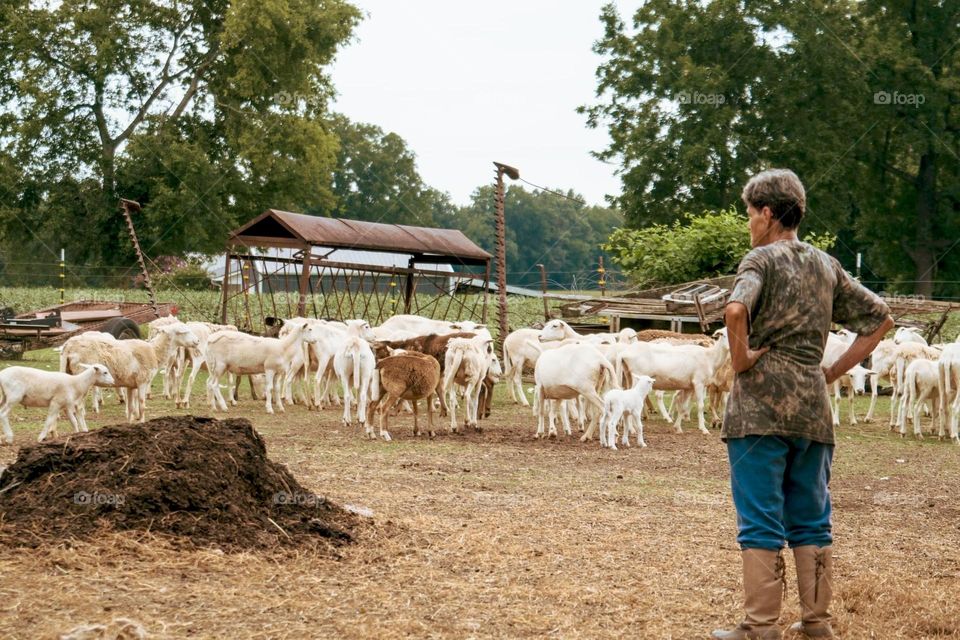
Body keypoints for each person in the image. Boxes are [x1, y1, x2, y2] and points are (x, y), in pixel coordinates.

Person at [711, 169, 894, 640]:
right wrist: (830, 372)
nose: (749, 223)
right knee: (812, 516)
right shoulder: (826, 265)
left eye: (751, 214)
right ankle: (817, 622)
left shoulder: (760, 260)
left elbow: (735, 310)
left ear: (768, 213)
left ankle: (760, 626)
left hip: (759, 412)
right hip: (813, 411)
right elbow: (880, 320)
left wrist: (741, 358)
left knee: (760, 517)